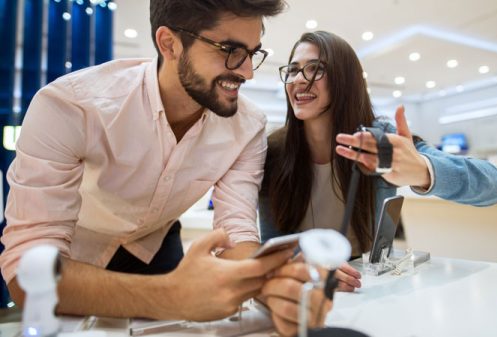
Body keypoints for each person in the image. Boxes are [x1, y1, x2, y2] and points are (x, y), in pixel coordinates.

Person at [0, 1, 329, 335]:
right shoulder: (72, 107)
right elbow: (29, 272)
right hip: (73, 256)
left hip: (156, 243)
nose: (247, 72)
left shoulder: (247, 127)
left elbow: (237, 232)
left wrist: (270, 286)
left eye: (252, 53)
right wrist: (172, 296)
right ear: (169, 43)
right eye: (230, 50)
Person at [258, 31, 497, 292]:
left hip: (368, 287)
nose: (299, 79)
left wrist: (423, 170)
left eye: (315, 69)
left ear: (345, 79)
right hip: (300, 292)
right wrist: (301, 265)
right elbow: (268, 248)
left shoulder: (380, 139)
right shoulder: (273, 151)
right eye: (293, 70)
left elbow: (495, 185)